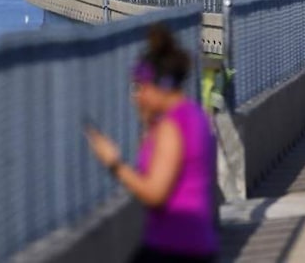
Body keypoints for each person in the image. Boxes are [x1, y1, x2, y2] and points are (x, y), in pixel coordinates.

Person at [85, 23, 218, 263]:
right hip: (195, 243)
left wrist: (114, 163)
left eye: (139, 87)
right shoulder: (194, 115)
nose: (135, 96)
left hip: (173, 248)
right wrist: (147, 123)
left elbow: (155, 193)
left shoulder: (170, 128)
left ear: (160, 85)